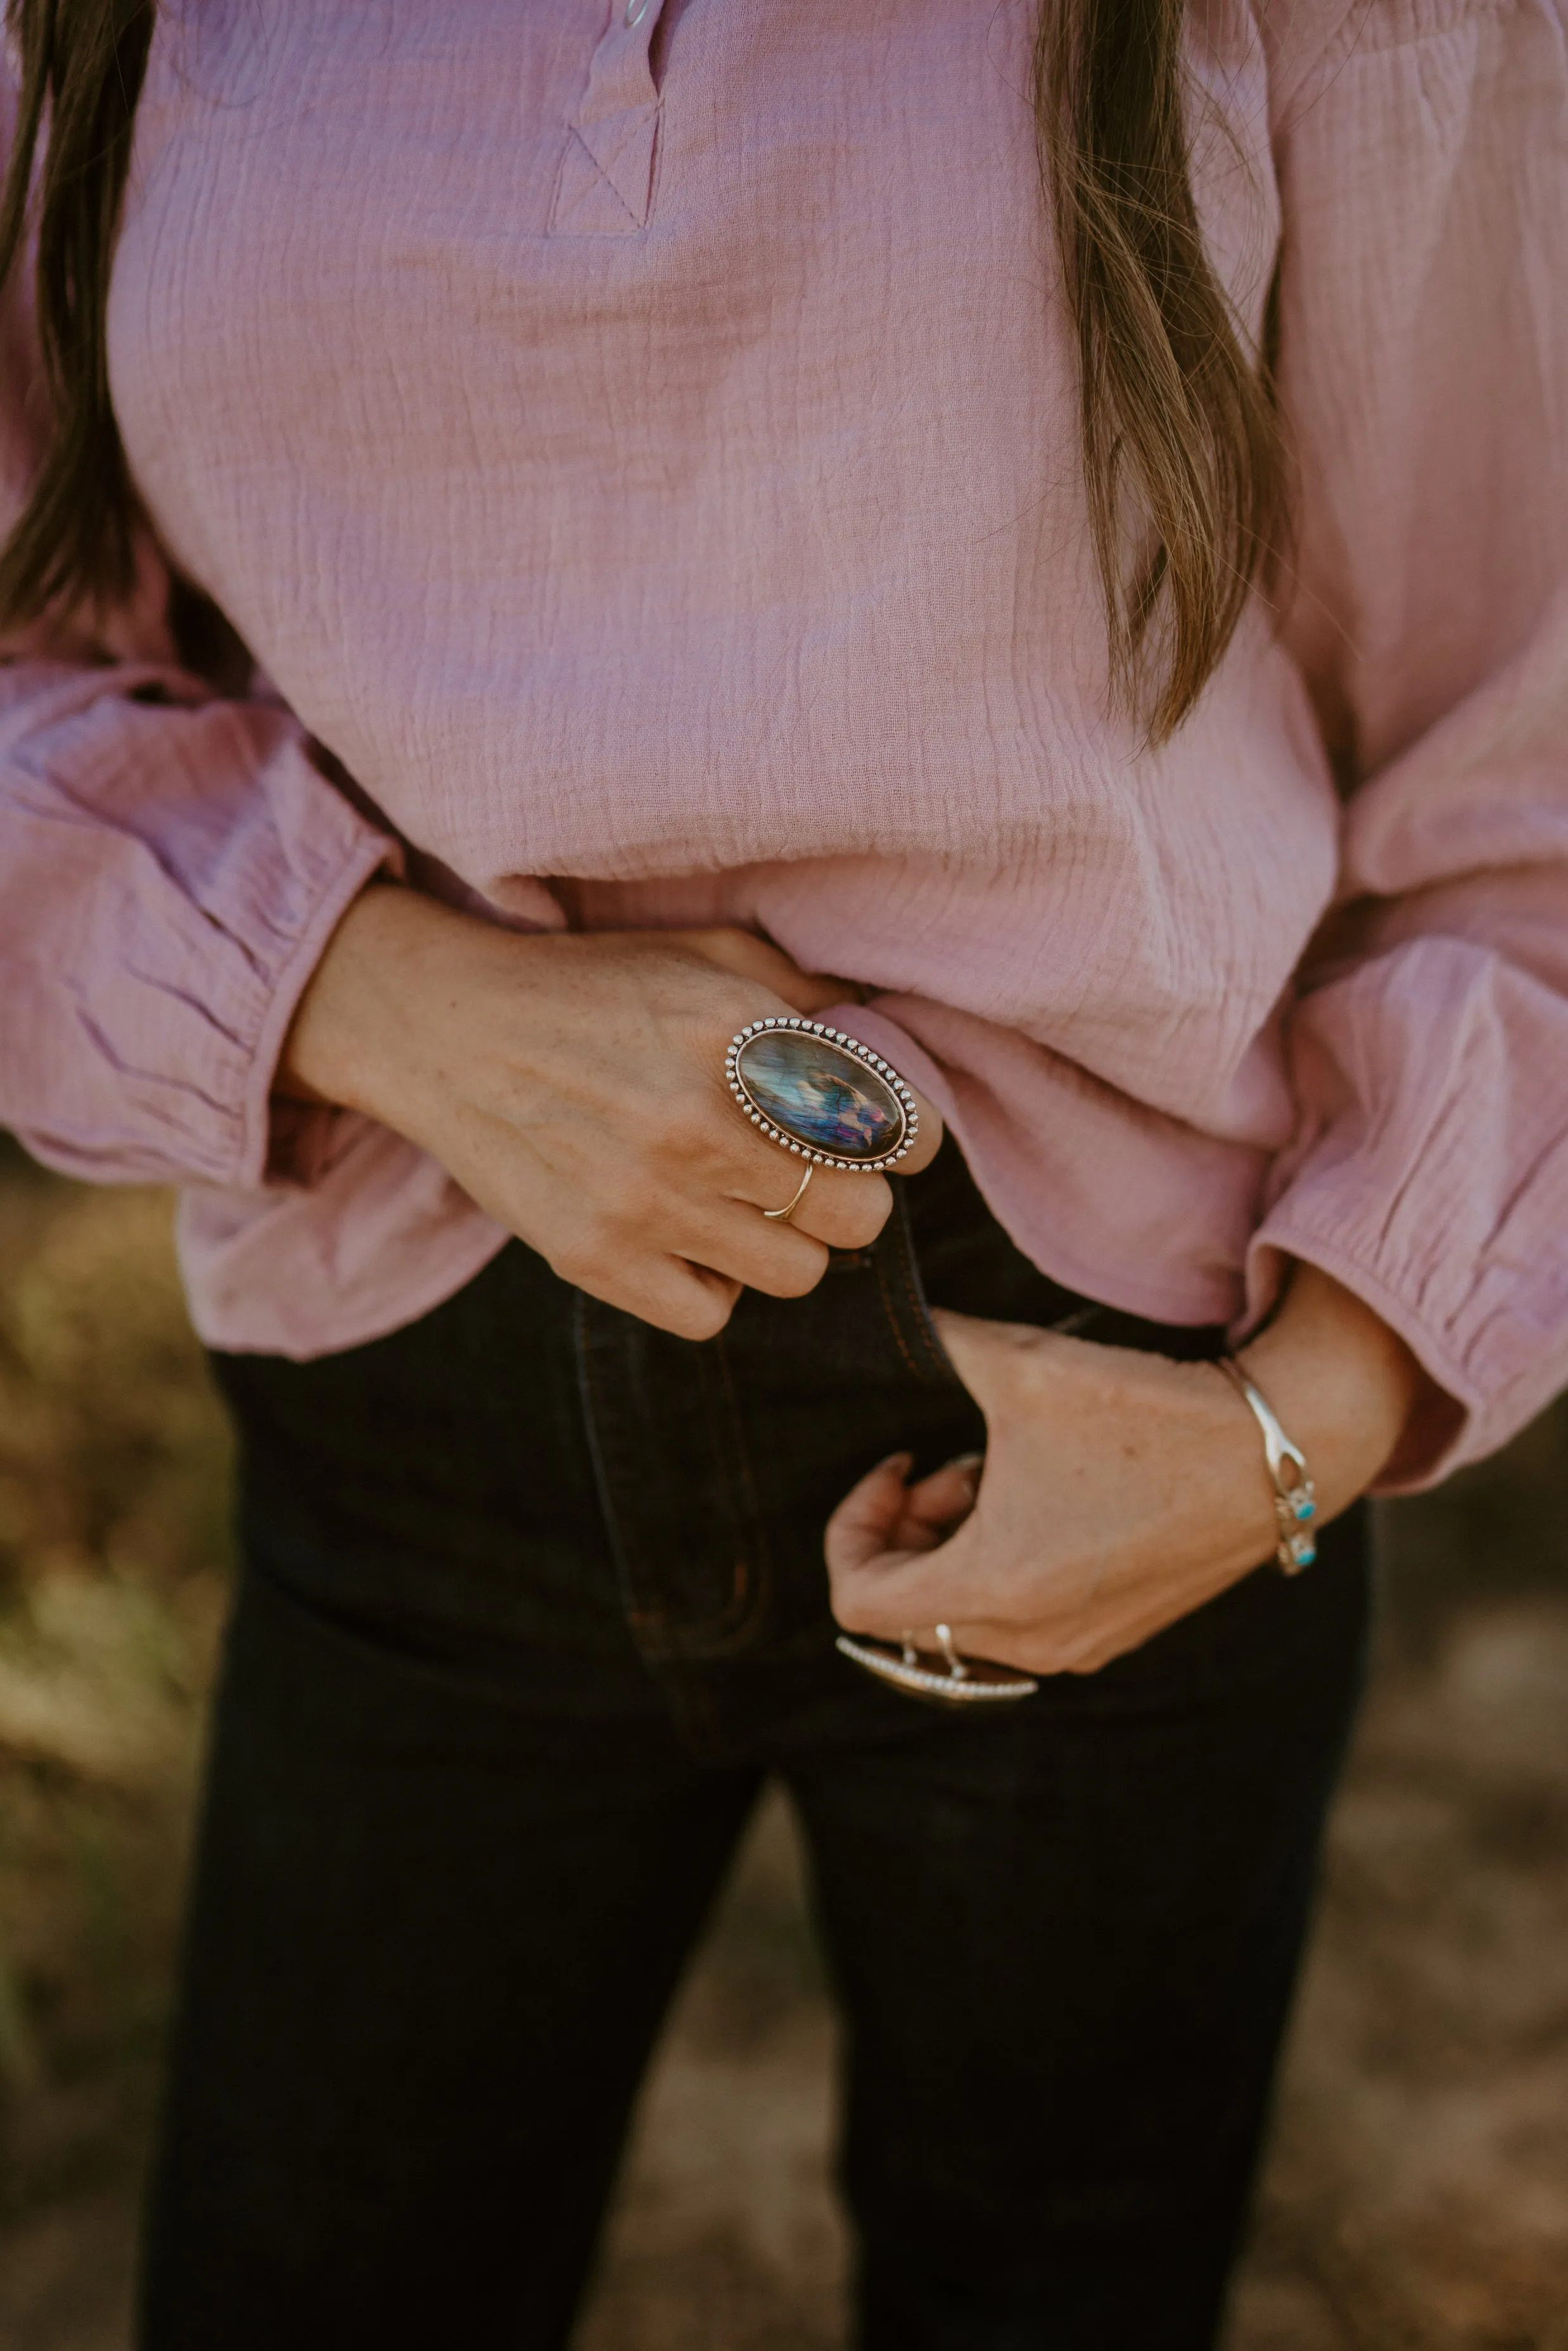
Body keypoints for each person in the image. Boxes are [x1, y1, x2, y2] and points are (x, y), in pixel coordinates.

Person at [0, 1, 1562, 2343]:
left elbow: (1529, 739)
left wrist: (1290, 1430)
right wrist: (382, 994)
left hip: (1118, 1383)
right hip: (415, 1362)